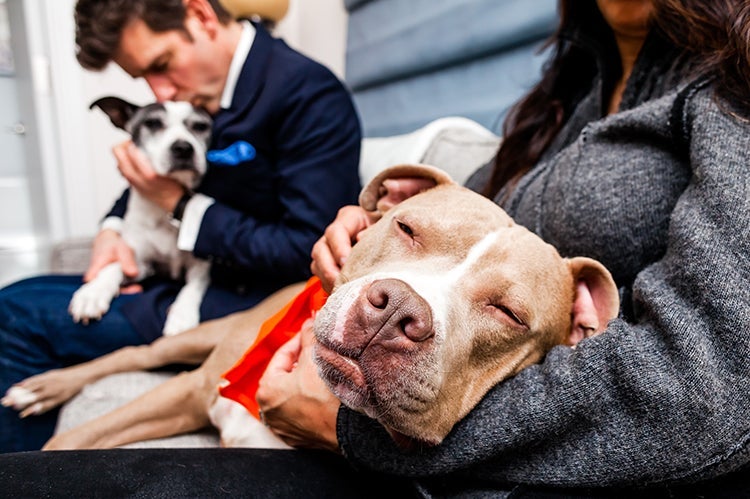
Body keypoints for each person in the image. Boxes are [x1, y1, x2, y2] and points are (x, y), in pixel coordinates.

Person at [253, 0, 750, 494]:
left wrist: (354, 434)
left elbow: (709, 389)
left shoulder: (733, 89)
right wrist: (379, 228)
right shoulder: (562, 97)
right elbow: (462, 211)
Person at [0, 0, 361, 453]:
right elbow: (150, 186)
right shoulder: (202, 89)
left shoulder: (308, 94)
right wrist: (112, 230)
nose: (161, 92)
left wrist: (178, 204)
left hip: (245, 297)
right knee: (22, 293)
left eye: (162, 65)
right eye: (145, 80)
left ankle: (23, 477)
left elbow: (305, 247)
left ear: (201, 16)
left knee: (15, 313)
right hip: (181, 276)